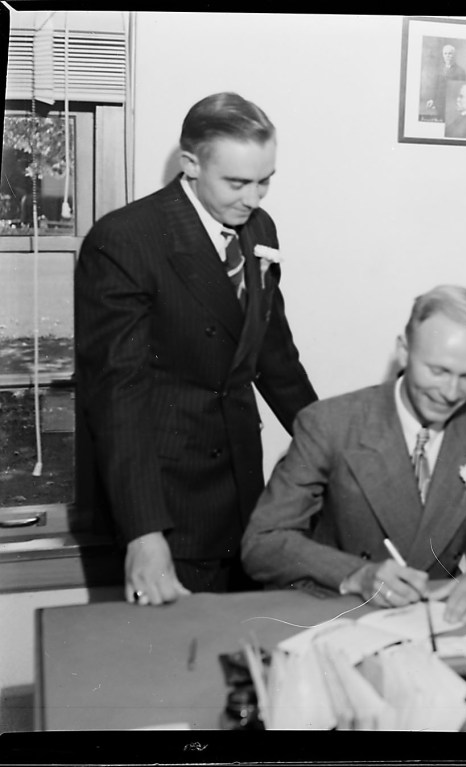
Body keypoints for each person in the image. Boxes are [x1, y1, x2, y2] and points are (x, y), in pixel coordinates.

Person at [75, 92, 317, 607]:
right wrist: (144, 532)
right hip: (166, 501)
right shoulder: (125, 239)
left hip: (243, 489)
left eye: (265, 180)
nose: (254, 198)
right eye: (238, 182)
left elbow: (274, 355)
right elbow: (117, 395)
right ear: (190, 163)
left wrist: (331, 446)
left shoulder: (259, 227)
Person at [242, 285, 466, 623]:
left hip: (437, 616)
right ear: (404, 351)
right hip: (343, 610)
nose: (451, 393)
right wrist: (357, 574)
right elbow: (263, 543)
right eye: (438, 371)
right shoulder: (330, 423)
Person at [424, 44, 466, 120]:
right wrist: (432, 99)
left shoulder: (460, 71)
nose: (447, 56)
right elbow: (436, 86)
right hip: (439, 104)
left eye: (450, 53)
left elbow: (460, 90)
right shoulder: (440, 69)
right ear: (443, 55)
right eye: (445, 53)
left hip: (451, 104)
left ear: (454, 55)